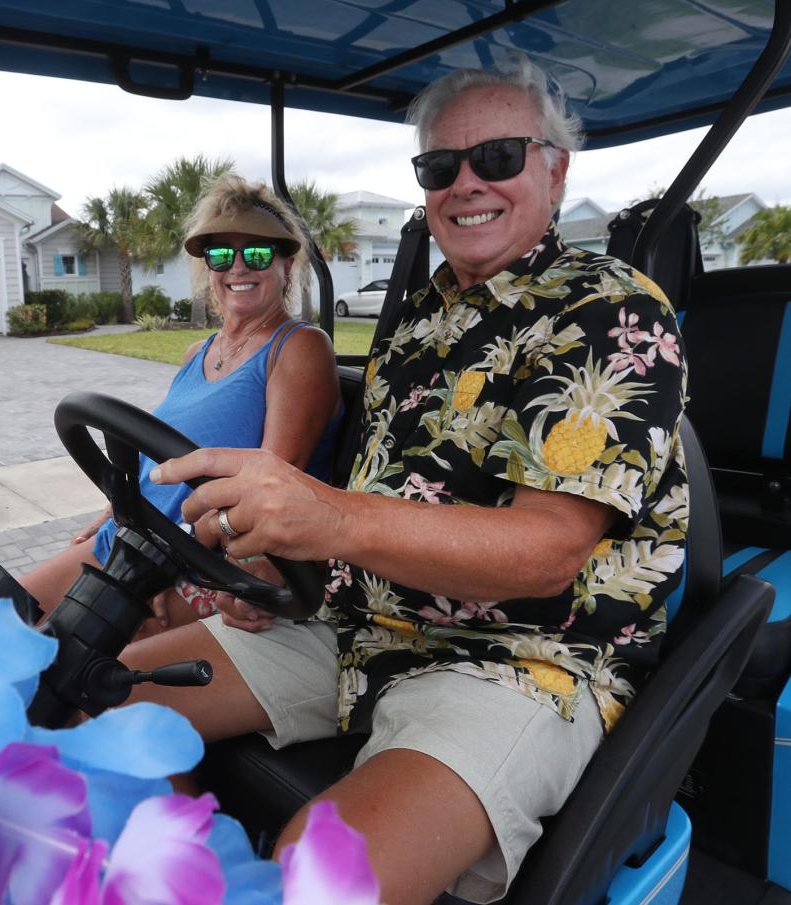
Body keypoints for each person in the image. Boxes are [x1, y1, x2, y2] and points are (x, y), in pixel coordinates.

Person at [121, 59, 688, 905]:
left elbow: (545, 554)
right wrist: (283, 570)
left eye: (497, 156)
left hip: (523, 657)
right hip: (359, 623)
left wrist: (325, 520)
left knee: (321, 875)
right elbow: (386, 500)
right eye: (440, 167)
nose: (466, 183)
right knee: (106, 696)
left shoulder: (609, 311)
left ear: (556, 169)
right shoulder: (420, 316)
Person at [21, 174, 342, 632]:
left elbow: (267, 495)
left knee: (57, 679)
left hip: (204, 562)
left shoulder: (299, 348)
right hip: (134, 540)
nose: (237, 267)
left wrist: (169, 565)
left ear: (286, 265)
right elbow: (163, 458)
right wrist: (116, 509)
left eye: (256, 253)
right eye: (220, 254)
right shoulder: (198, 352)